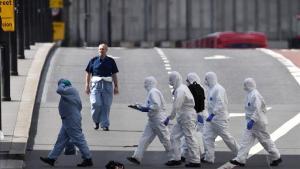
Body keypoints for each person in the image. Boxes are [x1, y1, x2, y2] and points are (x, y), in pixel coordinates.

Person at [40, 79, 93, 167]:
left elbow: (59, 90)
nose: (59, 85)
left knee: (78, 139)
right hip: (68, 120)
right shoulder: (69, 93)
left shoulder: (70, 90)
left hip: (71, 119)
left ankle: (88, 158)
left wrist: (61, 83)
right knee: (61, 140)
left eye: (60, 84)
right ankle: (51, 159)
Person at [230, 78, 282, 167]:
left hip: (258, 123)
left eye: (245, 85)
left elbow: (258, 110)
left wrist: (252, 120)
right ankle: (240, 159)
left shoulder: (255, 95)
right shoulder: (250, 94)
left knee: (265, 141)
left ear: (248, 85)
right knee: (245, 141)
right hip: (251, 123)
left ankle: (276, 156)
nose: (244, 87)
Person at [127, 76, 173, 165]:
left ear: (150, 83)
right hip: (152, 120)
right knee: (144, 138)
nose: (144, 85)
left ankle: (175, 158)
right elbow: (150, 105)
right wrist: (139, 106)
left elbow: (156, 106)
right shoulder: (151, 92)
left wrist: (145, 109)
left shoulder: (153, 92)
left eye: (146, 82)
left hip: (158, 120)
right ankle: (137, 157)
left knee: (166, 139)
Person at [164, 71, 201, 168]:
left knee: (190, 138)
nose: (170, 83)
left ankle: (195, 160)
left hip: (187, 117)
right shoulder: (182, 87)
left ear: (175, 80)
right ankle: (177, 158)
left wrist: (169, 117)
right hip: (183, 117)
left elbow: (176, 106)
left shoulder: (180, 90)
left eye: (171, 81)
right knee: (174, 137)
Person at [202, 72, 239, 164]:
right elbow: (208, 103)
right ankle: (209, 157)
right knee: (207, 137)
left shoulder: (219, 89)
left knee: (226, 137)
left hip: (220, 119)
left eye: (206, 79)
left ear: (210, 79)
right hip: (211, 120)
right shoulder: (210, 89)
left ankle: (240, 154)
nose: (205, 81)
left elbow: (220, 103)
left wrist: (212, 114)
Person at [85, 43, 119, 131]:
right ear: (98, 50)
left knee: (106, 105)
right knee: (96, 103)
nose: (101, 50)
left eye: (103, 49)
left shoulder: (111, 61)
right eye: (100, 49)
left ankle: (105, 124)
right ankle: (96, 121)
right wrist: (87, 85)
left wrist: (116, 86)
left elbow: (114, 74)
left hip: (107, 84)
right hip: (96, 84)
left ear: (106, 50)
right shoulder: (93, 60)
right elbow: (88, 73)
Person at [181, 72, 206, 162]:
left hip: (196, 115)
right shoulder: (198, 88)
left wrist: (199, 115)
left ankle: (201, 154)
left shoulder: (195, 89)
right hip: (196, 115)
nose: (186, 82)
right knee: (189, 135)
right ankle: (182, 154)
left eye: (187, 80)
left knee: (193, 136)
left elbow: (199, 104)